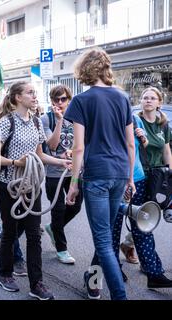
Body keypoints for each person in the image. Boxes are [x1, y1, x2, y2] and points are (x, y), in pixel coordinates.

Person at [65, 48, 136, 300]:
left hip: (96, 174)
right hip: (119, 173)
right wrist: (129, 178)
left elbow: (79, 147)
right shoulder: (122, 97)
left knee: (104, 243)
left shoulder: (81, 100)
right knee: (104, 236)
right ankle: (93, 280)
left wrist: (74, 183)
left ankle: (119, 296)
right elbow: (130, 144)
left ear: (84, 69)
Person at [0, 81, 71, 300]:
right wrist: (17, 162)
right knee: (9, 230)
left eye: (35, 93)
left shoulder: (36, 122)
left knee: (34, 234)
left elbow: (40, 155)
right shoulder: (6, 122)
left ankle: (37, 283)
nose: (35, 96)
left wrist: (60, 162)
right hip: (9, 185)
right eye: (30, 93)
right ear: (17, 97)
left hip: (31, 185)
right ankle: (5, 273)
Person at [112, 108, 172, 290]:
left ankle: (154, 273)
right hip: (114, 180)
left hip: (137, 178)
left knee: (143, 227)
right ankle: (112, 269)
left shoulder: (133, 119)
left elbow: (142, 146)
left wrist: (142, 138)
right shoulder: (105, 119)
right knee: (113, 230)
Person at [42, 85, 82, 264]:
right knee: (57, 210)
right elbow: (51, 145)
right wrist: (59, 121)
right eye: (56, 99)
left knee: (75, 207)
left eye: (63, 99)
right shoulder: (46, 118)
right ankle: (61, 248)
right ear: (51, 100)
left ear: (69, 99)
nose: (60, 102)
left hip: (74, 171)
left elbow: (82, 143)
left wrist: (74, 153)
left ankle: (53, 228)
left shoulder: (77, 119)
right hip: (54, 173)